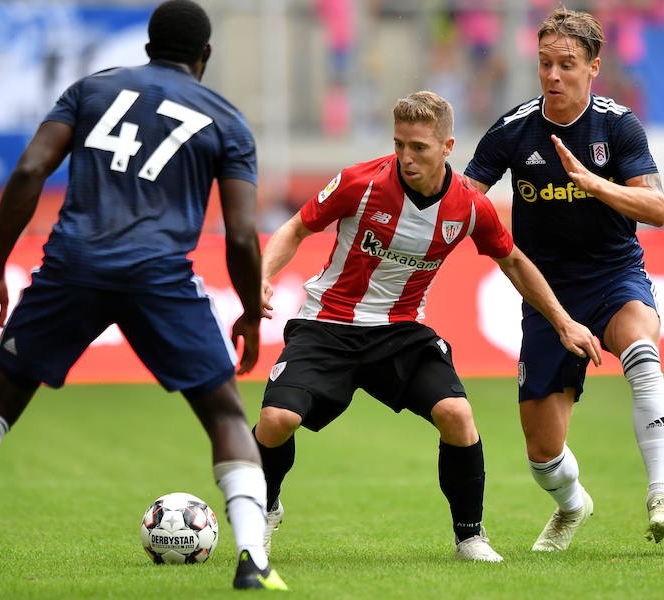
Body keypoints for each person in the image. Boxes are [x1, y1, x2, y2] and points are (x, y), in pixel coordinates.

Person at [0, 1, 286, 592]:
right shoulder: (226, 119)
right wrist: (248, 311)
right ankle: (254, 561)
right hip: (160, 276)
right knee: (225, 413)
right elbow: (243, 234)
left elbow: (28, 171)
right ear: (206, 56)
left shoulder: (92, 91)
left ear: (147, 47)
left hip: (73, 268)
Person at [252, 91, 601, 562]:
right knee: (276, 421)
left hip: (400, 331)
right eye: (399, 144)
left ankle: (470, 537)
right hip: (327, 323)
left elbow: (514, 261)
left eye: (418, 147)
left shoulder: (469, 206)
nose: (406, 157)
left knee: (457, 415)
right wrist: (262, 276)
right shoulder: (360, 183)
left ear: (447, 146)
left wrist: (563, 322)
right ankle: (266, 509)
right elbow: (295, 227)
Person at [463, 7, 664, 552]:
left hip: (613, 276)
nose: (553, 76)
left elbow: (656, 208)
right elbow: (464, 197)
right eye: (545, 64)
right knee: (542, 455)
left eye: (566, 64)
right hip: (546, 292)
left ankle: (662, 498)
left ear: (593, 68)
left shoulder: (617, 124)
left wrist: (594, 184)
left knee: (641, 349)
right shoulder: (515, 129)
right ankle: (571, 504)